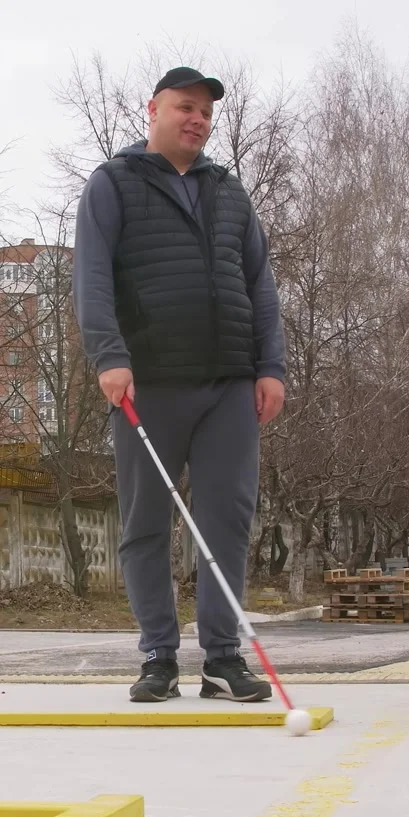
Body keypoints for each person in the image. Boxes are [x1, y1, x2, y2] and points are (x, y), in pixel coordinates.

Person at [72, 66, 286, 703]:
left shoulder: (229, 192)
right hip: (149, 384)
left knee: (227, 520)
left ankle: (223, 660)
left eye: (205, 113)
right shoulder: (113, 183)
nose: (197, 120)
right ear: (155, 110)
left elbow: (261, 285)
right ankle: (158, 658)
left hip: (229, 384)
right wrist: (108, 355)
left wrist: (270, 366)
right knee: (146, 523)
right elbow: (91, 278)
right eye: (185, 107)